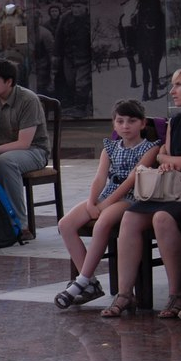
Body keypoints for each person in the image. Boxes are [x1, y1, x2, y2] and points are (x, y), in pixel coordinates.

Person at [105, 66, 181, 319]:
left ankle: (177, 292)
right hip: (170, 188)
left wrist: (169, 160)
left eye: (179, 84)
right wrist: (168, 160)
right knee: (131, 217)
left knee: (162, 218)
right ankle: (125, 293)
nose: (172, 90)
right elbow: (162, 153)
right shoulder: (176, 121)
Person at [54, 99, 160, 309]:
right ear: (114, 124)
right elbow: (100, 178)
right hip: (107, 194)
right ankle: (91, 282)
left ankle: (81, 281)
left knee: (103, 223)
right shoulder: (109, 148)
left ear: (142, 123)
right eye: (120, 121)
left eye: (131, 121)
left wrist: (104, 206)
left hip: (131, 197)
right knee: (65, 224)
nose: (125, 126)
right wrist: (92, 201)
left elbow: (131, 180)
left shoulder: (150, 148)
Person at [0, 58, 49, 237]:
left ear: (9, 82)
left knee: (6, 162)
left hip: (34, 150)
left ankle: (19, 224)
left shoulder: (28, 99)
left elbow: (23, 143)